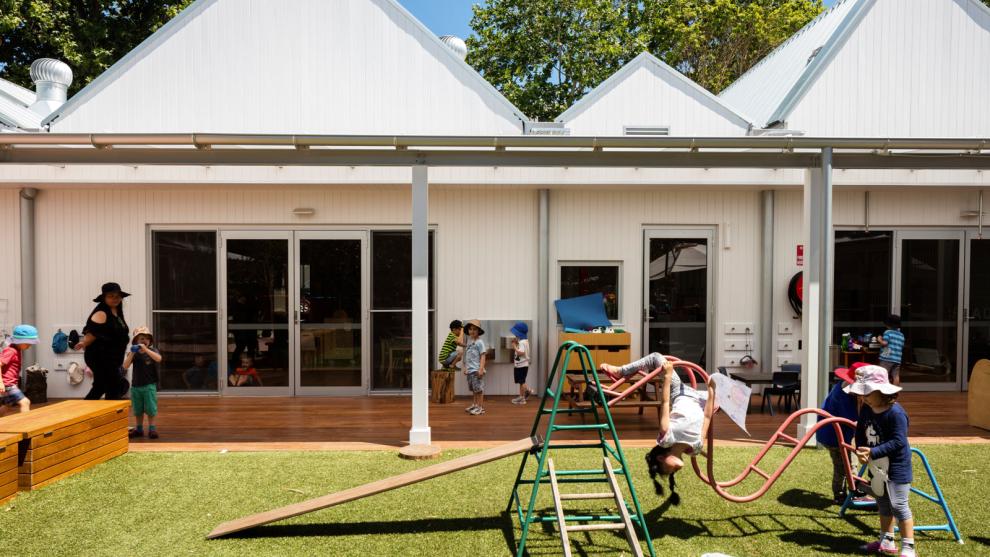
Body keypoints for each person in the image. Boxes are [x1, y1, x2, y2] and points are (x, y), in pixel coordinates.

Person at [601, 353, 715, 505]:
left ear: (662, 458)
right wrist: (712, 390)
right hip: (701, 398)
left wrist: (667, 377)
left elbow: (665, 402)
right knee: (727, 395)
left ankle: (621, 371)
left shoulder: (667, 436)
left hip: (678, 391)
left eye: (669, 471)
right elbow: (707, 416)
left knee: (656, 357)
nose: (674, 472)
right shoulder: (695, 448)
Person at [846, 365, 915, 557]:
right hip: (876, 466)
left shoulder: (896, 413)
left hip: (896, 469)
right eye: (862, 392)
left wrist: (873, 452)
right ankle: (886, 541)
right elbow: (860, 431)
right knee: (883, 505)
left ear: (882, 390)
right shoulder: (867, 409)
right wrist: (860, 450)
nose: (863, 396)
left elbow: (899, 441)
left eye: (867, 391)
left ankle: (909, 547)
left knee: (899, 506)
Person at [816, 363, 863, 505]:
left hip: (836, 433)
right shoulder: (844, 398)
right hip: (833, 436)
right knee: (843, 466)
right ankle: (841, 494)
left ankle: (853, 488)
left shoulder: (841, 387)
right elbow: (852, 421)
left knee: (849, 462)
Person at [75, 282, 131, 400]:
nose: (115, 299)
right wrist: (83, 343)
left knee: (100, 386)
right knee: (114, 386)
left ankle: (87, 412)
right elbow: (92, 333)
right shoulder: (101, 313)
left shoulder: (116, 311)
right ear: (104, 298)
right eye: (111, 296)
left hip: (112, 358)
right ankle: (111, 413)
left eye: (117, 296)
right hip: (100, 357)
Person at [123, 326, 163, 439]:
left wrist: (146, 350)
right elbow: (125, 366)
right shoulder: (134, 354)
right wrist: (132, 353)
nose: (144, 340)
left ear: (150, 341)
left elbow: (159, 359)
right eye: (141, 338)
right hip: (136, 386)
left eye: (146, 338)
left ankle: (152, 429)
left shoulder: (152, 351)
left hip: (149, 385)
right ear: (136, 341)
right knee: (138, 409)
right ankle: (139, 429)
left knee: (151, 408)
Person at [0, 325, 38, 417]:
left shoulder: (17, 349)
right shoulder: (11, 351)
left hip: (10, 383)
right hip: (7, 384)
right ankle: (26, 427)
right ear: (19, 341)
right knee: (25, 402)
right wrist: (0, 383)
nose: (30, 345)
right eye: (28, 343)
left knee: (6, 406)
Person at [463, 320, 487, 416]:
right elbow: (468, 357)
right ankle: (475, 404)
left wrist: (481, 369)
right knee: (474, 389)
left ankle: (480, 408)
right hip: (470, 370)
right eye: (470, 329)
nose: (472, 331)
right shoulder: (470, 341)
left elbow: (483, 356)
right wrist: (466, 368)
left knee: (479, 390)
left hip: (476, 370)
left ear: (478, 331)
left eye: (474, 329)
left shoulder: (479, 342)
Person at [877, 314, 905, 386]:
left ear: (887, 324)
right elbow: (901, 345)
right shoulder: (901, 335)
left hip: (887, 357)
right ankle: (895, 393)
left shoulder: (888, 332)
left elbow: (885, 343)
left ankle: (883, 392)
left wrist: (879, 339)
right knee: (896, 376)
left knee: (883, 374)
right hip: (897, 359)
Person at [510, 322, 535, 404]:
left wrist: (514, 347)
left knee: (522, 382)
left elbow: (521, 353)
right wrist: (517, 344)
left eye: (516, 334)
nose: (515, 336)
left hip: (521, 365)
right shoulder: (525, 341)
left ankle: (526, 393)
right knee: (521, 382)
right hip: (522, 365)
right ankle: (521, 397)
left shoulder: (522, 342)